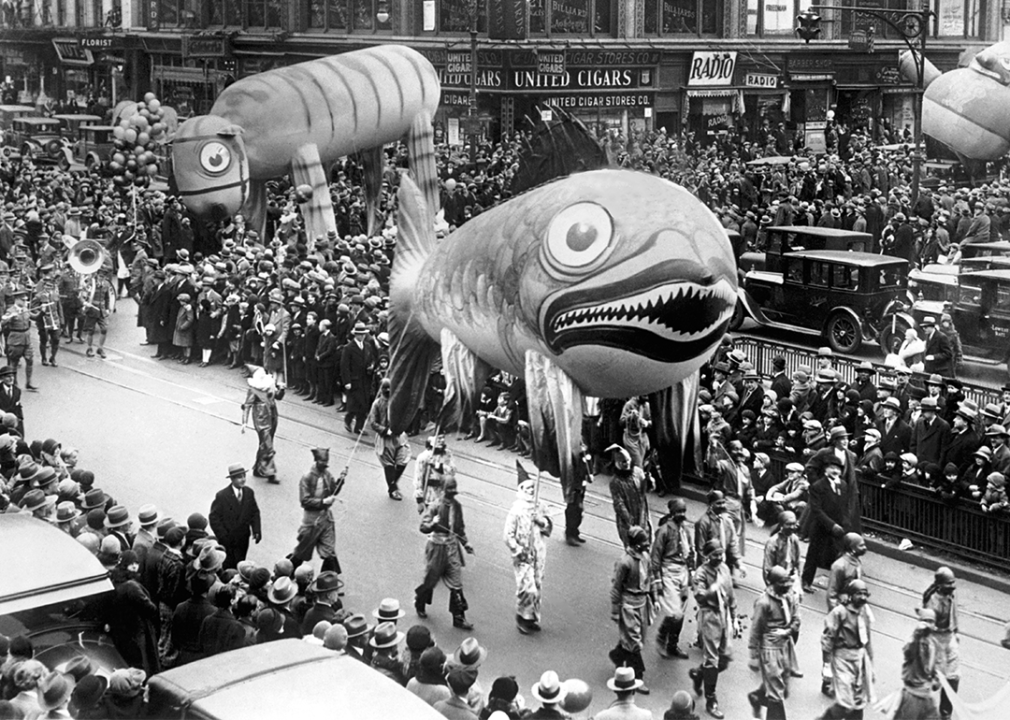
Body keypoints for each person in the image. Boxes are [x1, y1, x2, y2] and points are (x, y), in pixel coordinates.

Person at [415, 477, 475, 629]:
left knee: (456, 583)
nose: (451, 494)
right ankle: (420, 602)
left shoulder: (457, 507)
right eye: (448, 490)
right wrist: (433, 523)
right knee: (430, 580)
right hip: (436, 548)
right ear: (442, 490)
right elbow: (423, 527)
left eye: (453, 490)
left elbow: (459, 528)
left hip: (452, 548)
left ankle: (459, 617)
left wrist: (465, 543)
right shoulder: (435, 506)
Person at [688, 540, 737, 719]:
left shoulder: (724, 568)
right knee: (712, 659)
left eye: (720, 553)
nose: (718, 557)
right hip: (709, 616)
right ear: (707, 555)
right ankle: (711, 700)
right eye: (714, 554)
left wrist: (735, 616)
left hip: (724, 615)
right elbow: (699, 596)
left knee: (725, 658)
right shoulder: (701, 573)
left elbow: (731, 593)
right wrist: (712, 590)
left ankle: (699, 674)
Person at [502, 461, 552, 635]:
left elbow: (548, 527)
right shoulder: (516, 510)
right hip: (523, 555)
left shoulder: (540, 506)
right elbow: (507, 536)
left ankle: (531, 618)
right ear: (521, 490)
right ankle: (521, 617)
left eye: (533, 488)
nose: (531, 491)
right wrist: (518, 550)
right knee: (527, 588)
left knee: (537, 586)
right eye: (527, 488)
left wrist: (541, 521)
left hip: (538, 553)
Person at [747, 566, 800, 720]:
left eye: (787, 581)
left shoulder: (789, 597)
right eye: (782, 582)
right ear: (773, 583)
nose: (786, 585)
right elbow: (756, 629)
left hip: (785, 644)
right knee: (777, 693)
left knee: (783, 687)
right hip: (770, 647)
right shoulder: (763, 603)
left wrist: (787, 631)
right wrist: (754, 655)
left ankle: (758, 697)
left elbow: (797, 619)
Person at [819, 579, 875, 719]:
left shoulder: (865, 612)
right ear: (850, 595)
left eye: (865, 594)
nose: (863, 597)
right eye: (858, 594)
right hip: (843, 659)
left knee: (858, 702)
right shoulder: (839, 612)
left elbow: (867, 638)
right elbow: (828, 638)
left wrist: (871, 662)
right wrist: (826, 665)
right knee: (845, 703)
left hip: (860, 659)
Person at [609, 525, 653, 694]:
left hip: (642, 602)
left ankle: (617, 655)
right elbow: (616, 587)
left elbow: (649, 577)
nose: (647, 544)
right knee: (634, 642)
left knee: (637, 636)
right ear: (636, 544)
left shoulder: (645, 557)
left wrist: (653, 597)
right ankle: (638, 676)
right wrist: (615, 609)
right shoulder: (624, 562)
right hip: (628, 603)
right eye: (644, 541)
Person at [650, 498, 694, 659]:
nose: (681, 514)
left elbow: (691, 553)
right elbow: (655, 557)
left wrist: (692, 573)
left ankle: (672, 646)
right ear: (672, 512)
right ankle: (661, 638)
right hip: (668, 572)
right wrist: (657, 581)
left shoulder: (685, 530)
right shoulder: (664, 530)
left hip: (682, 572)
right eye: (678, 511)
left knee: (681, 612)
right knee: (674, 612)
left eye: (683, 511)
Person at [802, 454, 851, 594]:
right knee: (814, 554)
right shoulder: (818, 486)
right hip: (821, 526)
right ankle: (806, 581)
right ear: (825, 470)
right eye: (832, 468)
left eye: (837, 468)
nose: (835, 471)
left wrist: (845, 524)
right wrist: (832, 525)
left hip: (838, 527)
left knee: (838, 555)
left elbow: (845, 506)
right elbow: (817, 510)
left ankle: (839, 586)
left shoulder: (843, 485)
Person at [292, 447, 344, 574]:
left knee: (329, 551)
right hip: (311, 521)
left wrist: (340, 481)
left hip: (326, 519)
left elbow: (333, 492)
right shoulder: (307, 477)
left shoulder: (327, 475)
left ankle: (327, 583)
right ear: (316, 460)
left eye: (326, 460)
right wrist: (322, 502)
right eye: (322, 461)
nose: (325, 464)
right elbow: (304, 501)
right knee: (302, 551)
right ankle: (286, 575)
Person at [922, 567, 960, 720]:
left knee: (954, 677)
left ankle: (946, 712)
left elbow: (954, 613)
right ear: (939, 585)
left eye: (953, 582)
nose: (952, 586)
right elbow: (925, 627)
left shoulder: (952, 594)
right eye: (949, 583)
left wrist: (956, 632)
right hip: (935, 639)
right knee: (935, 680)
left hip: (949, 637)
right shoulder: (932, 601)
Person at [208, 464, 262, 570]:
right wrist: (222, 536)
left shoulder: (249, 493)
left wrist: (256, 530)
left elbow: (254, 512)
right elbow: (214, 517)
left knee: (240, 562)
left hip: (243, 537)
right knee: (228, 564)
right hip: (228, 539)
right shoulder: (222, 496)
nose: (243, 480)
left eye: (244, 476)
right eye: (239, 477)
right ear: (232, 479)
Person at [893, 609, 941, 720]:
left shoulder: (933, 643)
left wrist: (936, 679)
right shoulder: (914, 640)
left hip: (926, 694)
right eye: (925, 621)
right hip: (913, 694)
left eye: (931, 621)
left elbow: (934, 666)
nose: (928, 625)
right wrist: (916, 634)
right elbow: (908, 651)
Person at [369, 377, 411, 501]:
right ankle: (392, 489)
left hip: (399, 435)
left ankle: (393, 483)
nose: (387, 391)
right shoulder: (376, 404)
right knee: (389, 465)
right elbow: (373, 422)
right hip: (385, 438)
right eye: (385, 388)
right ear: (381, 390)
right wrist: (385, 430)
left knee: (403, 460)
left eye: (389, 388)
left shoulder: (397, 401)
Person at [241, 368, 283, 484]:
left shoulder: (269, 385)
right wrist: (244, 422)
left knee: (264, 444)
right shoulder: (253, 390)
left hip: (273, 416)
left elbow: (278, 397)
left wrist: (282, 389)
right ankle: (270, 473)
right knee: (268, 446)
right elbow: (247, 405)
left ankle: (257, 469)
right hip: (261, 419)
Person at [608, 444, 650, 548]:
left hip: (642, 515)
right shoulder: (615, 482)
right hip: (627, 521)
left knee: (646, 543)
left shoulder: (638, 472)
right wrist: (630, 521)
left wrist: (649, 482)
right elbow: (619, 503)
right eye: (623, 462)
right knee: (632, 548)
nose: (626, 464)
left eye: (627, 460)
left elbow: (645, 490)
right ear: (617, 463)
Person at [340, 321, 375, 434]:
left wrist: (371, 366)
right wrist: (347, 381)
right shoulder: (348, 348)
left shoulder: (368, 346)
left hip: (365, 380)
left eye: (363, 334)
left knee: (364, 405)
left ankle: (359, 427)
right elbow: (344, 366)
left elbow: (371, 359)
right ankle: (348, 419)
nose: (362, 336)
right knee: (354, 404)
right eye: (360, 334)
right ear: (355, 335)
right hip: (354, 381)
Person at [3, 290, 37, 390]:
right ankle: (14, 384)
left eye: (26, 300)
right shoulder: (10, 310)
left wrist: (43, 312)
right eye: (23, 300)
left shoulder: (25, 308)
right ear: (17, 299)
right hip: (15, 340)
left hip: (26, 339)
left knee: (30, 360)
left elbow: (34, 317)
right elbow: (3, 322)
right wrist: (10, 318)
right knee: (14, 363)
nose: (25, 302)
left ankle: (28, 383)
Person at [31, 264, 63, 367]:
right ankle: (44, 358)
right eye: (47, 286)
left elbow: (59, 307)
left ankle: (53, 358)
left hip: (55, 319)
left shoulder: (55, 294)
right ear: (44, 286)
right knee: (43, 340)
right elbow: (33, 308)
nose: (49, 288)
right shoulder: (39, 295)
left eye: (51, 286)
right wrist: (40, 314)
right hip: (43, 321)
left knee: (56, 339)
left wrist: (62, 319)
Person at [80, 272, 115, 359]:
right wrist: (84, 303)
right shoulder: (91, 284)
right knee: (90, 331)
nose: (101, 278)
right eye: (100, 276)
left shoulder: (106, 284)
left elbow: (107, 297)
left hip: (101, 310)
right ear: (97, 275)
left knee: (104, 329)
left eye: (103, 276)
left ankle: (100, 348)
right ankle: (89, 348)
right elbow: (82, 295)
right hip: (92, 309)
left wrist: (107, 308)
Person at [762, 510, 801, 588]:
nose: (792, 527)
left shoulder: (795, 539)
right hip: (777, 580)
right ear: (781, 525)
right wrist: (770, 586)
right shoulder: (773, 542)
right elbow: (767, 567)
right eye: (788, 524)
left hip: (790, 579)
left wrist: (798, 580)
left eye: (794, 524)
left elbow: (797, 562)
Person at [827, 533, 865, 612]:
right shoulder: (839, 566)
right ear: (852, 548)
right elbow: (831, 592)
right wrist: (835, 612)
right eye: (861, 546)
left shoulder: (857, 562)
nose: (864, 548)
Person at [0, 366, 24, 436]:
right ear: (2, 378)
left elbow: (18, 408)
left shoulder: (17, 391)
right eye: (8, 376)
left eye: (12, 376)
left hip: (14, 423)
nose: (11, 378)